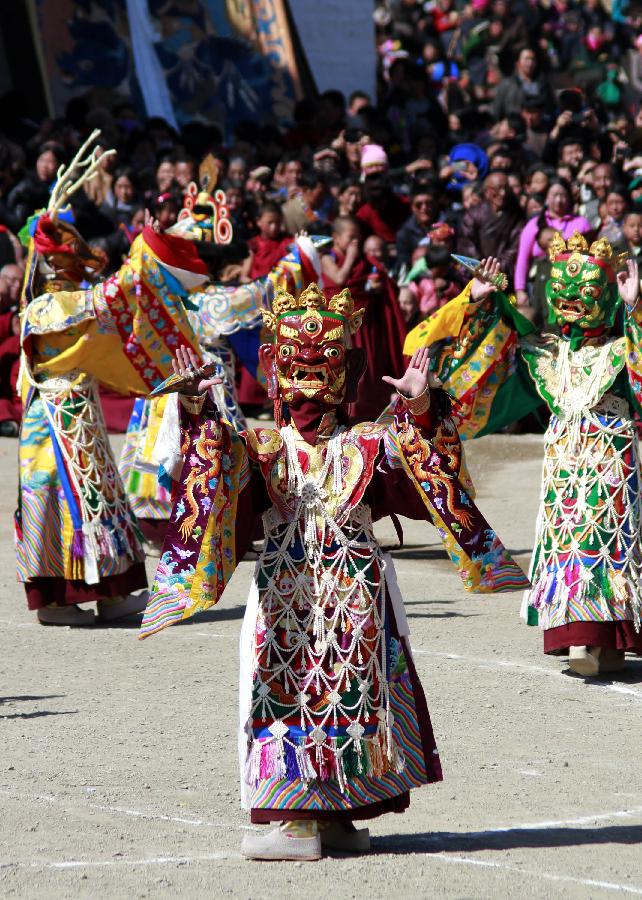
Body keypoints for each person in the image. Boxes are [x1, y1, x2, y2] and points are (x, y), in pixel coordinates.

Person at [139, 285, 528, 861]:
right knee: (313, 689)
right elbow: (221, 482)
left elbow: (430, 485)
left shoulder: (356, 443)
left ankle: (317, 817)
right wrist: (199, 414)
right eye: (299, 363)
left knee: (326, 690)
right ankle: (321, 814)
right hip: (316, 594)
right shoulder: (282, 445)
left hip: (329, 592)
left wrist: (422, 411)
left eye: (320, 363)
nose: (308, 380)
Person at [406, 238, 642, 676]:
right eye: (563, 289)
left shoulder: (618, 346)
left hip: (611, 455)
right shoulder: (545, 350)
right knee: (568, 537)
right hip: (563, 461)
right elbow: (497, 341)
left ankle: (601, 638)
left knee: (603, 539)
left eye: (586, 291)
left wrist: (634, 311)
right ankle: (586, 638)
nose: (572, 299)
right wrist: (480, 299)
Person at [17, 135, 209, 626]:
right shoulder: (46, 307)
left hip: (71, 412)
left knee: (84, 495)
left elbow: (104, 304)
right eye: (67, 264)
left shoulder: (54, 304)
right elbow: (106, 300)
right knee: (64, 496)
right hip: (55, 419)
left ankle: (102, 594)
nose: (72, 274)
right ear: (54, 269)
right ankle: (60, 599)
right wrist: (142, 254)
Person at [321, 215, 406, 421]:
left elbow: (382, 284)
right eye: (351, 238)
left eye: (358, 239)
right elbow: (339, 279)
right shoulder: (327, 258)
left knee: (370, 370)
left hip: (365, 326)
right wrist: (350, 256)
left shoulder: (366, 261)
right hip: (337, 327)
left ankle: (373, 414)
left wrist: (376, 288)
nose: (355, 243)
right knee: (345, 371)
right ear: (336, 238)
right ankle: (348, 414)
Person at [514, 179, 592, 306]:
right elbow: (522, 259)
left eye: (563, 195)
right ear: (546, 198)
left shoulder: (581, 223)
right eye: (554, 195)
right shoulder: (534, 224)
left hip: (574, 288)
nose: (558, 200)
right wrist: (520, 290)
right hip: (539, 286)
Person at [457, 172, 524, 279]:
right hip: (476, 273)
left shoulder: (516, 214)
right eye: (497, 189)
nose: (503, 193)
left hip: (503, 274)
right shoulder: (473, 214)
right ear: (487, 192)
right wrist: (480, 268)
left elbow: (515, 246)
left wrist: (497, 268)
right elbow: (467, 245)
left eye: (506, 188)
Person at [490, 48, 555, 121]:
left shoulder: (543, 83)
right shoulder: (507, 84)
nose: (530, 63)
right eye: (526, 59)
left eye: (533, 59)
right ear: (517, 63)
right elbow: (497, 110)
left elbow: (551, 107)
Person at [395, 184, 440, 272]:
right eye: (419, 205)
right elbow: (404, 266)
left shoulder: (448, 226)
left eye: (428, 203)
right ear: (412, 207)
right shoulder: (404, 234)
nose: (424, 208)